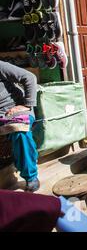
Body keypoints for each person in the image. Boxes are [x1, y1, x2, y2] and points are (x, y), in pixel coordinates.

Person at [0, 61, 39, 192]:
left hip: (14, 109)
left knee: (20, 131)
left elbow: (29, 77)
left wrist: (27, 104)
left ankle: (31, 176)